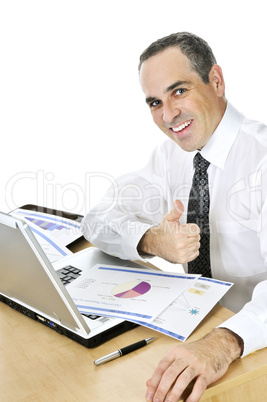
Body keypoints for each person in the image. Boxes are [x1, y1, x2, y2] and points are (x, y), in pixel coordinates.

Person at [81, 32, 267, 401]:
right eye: (154, 102)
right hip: (198, 327)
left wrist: (223, 342)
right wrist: (151, 239)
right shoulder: (172, 157)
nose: (168, 116)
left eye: (179, 91)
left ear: (215, 81)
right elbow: (97, 218)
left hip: (251, 346)